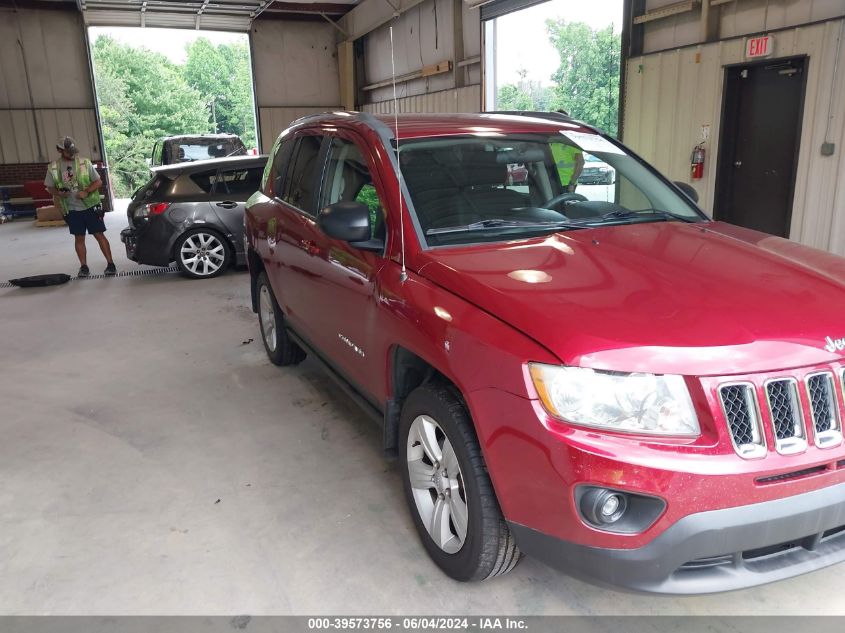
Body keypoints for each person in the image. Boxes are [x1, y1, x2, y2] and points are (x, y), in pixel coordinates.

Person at [44, 137, 116, 277]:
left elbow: (98, 182)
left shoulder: (84, 163)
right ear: (59, 150)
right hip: (71, 209)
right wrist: (59, 193)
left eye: (72, 151)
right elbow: (50, 188)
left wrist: (87, 191)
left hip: (90, 206)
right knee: (79, 237)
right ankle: (83, 267)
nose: (71, 154)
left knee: (99, 235)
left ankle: (111, 264)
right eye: (67, 151)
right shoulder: (53, 167)